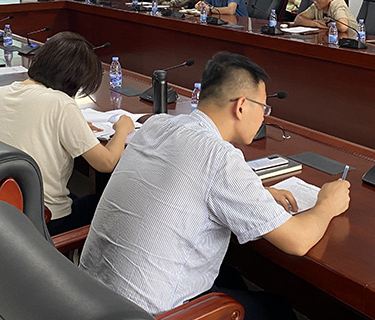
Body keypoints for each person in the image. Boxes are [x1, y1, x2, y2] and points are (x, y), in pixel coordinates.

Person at [80, 52, 350, 320]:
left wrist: (256, 193)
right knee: (277, 308)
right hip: (150, 315)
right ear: (241, 106)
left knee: (230, 276)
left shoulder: (157, 124)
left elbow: (181, 180)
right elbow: (297, 241)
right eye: (263, 108)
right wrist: (327, 204)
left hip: (88, 298)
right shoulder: (220, 157)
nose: (264, 118)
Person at [0, 32, 134, 235]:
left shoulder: (4, 93)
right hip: (45, 219)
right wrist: (122, 129)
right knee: (112, 202)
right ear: (72, 78)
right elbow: (106, 163)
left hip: (7, 207)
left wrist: (75, 126)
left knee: (75, 197)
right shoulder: (60, 103)